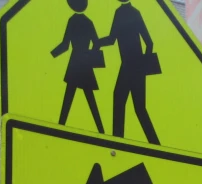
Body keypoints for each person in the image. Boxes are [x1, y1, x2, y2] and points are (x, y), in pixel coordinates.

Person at [97, 0, 160, 145]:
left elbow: (112, 39)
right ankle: (153, 144)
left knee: (123, 102)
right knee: (137, 107)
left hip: (129, 66)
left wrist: (98, 42)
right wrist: (143, 65)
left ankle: (119, 143)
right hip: (135, 66)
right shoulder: (132, 13)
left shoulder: (122, 13)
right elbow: (149, 43)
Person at [51, 0, 105, 134]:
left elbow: (65, 45)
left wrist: (52, 54)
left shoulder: (72, 21)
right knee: (89, 97)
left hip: (75, 62)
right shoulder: (89, 21)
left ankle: (61, 126)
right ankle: (101, 130)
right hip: (85, 62)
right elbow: (97, 43)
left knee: (69, 96)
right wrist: (90, 55)